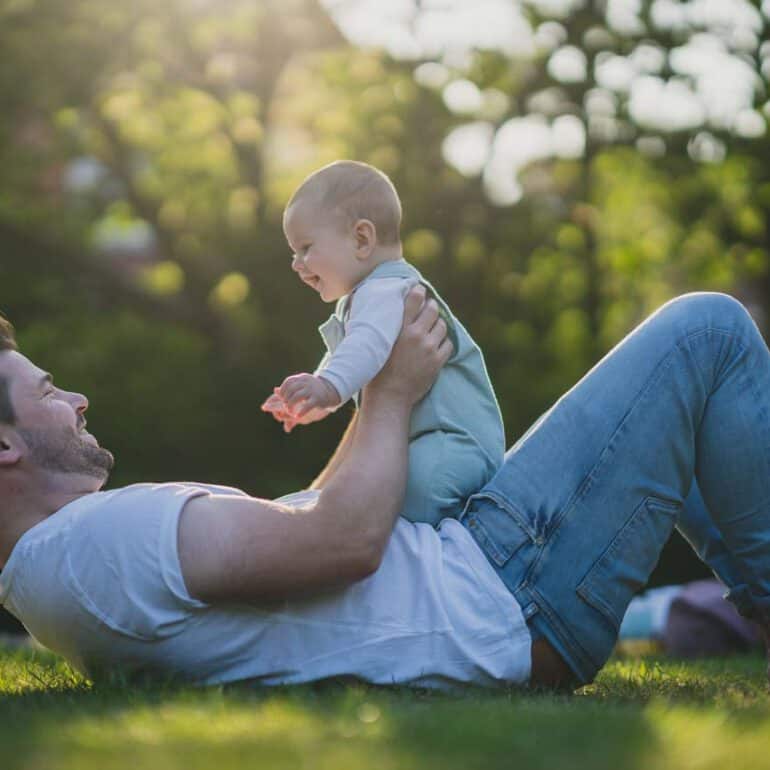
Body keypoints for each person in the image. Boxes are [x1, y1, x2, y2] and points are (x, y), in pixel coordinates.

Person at [1, 289, 770, 691]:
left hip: (483, 577)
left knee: (686, 400)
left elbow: (307, 528)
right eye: (47, 390)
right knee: (708, 329)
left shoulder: (64, 565)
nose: (77, 399)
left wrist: (372, 404)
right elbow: (340, 542)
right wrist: (390, 391)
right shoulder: (93, 542)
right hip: (502, 591)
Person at [261, 160, 504, 527]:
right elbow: (348, 356)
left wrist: (325, 388)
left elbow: (365, 348)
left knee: (407, 491)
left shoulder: (386, 290)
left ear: (361, 239)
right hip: (431, 441)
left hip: (454, 442)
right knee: (377, 486)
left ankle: (451, 541)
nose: (297, 264)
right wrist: (315, 400)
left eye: (306, 248)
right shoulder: (365, 296)